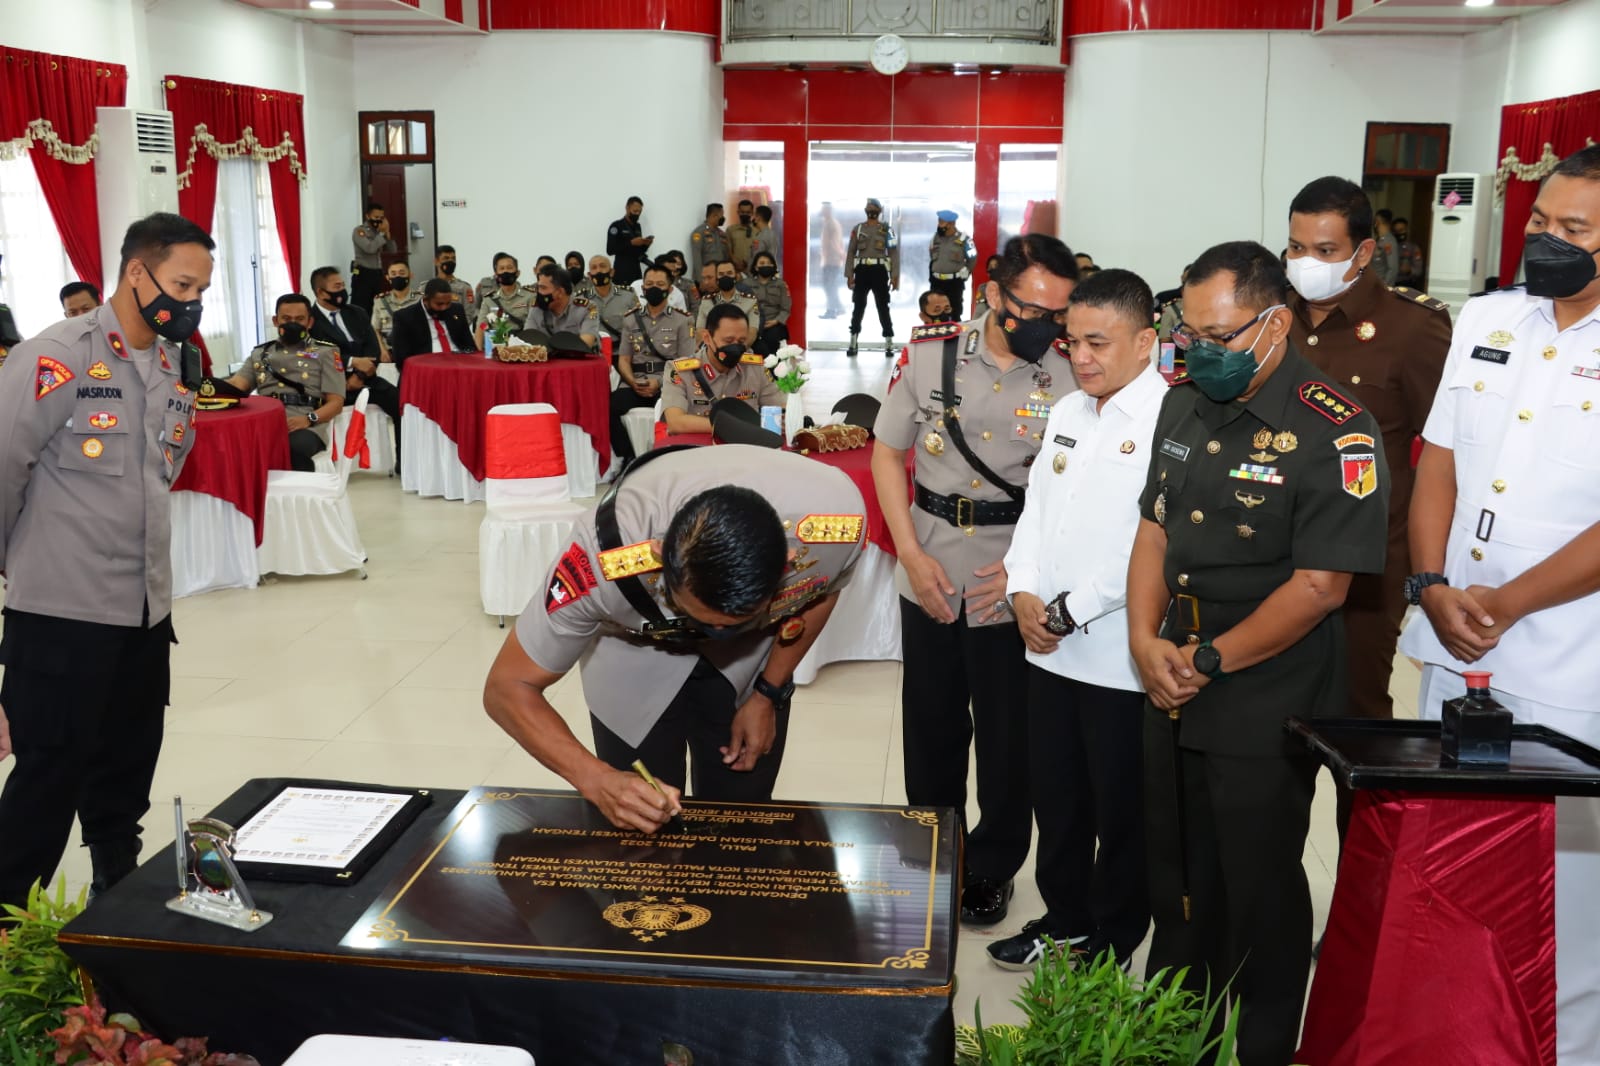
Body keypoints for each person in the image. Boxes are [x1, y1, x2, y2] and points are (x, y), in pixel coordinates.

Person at [1129, 240, 1387, 1066]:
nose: (1202, 350)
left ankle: (1265, 1046)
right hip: (1173, 666)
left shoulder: (1335, 427)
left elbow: (1321, 588)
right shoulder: (1181, 405)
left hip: (1267, 680)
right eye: (1191, 332)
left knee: (1258, 881)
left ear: (1276, 323)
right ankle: (1179, 1038)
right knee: (1178, 871)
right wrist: (1143, 641)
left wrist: (1209, 662)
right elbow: (1154, 531)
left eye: (1221, 335)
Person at [1400, 144, 1600, 1064]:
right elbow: (1438, 459)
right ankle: (1450, 1033)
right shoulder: (1488, 317)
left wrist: (1509, 603)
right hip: (1453, 642)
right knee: (1447, 854)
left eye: (1574, 229)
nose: (1546, 239)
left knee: (1565, 889)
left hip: (1568, 661)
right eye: (1540, 221)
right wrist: (1431, 584)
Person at [0, 212, 212, 911]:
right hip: (62, 611)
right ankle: (7, 922)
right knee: (47, 779)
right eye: (182, 285)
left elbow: (163, 469)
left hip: (144, 610)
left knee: (125, 771)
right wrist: (19, 564)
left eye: (201, 290)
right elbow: (2, 469)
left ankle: (115, 900)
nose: (191, 302)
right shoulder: (57, 355)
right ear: (137, 272)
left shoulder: (177, 364)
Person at [483, 445, 866, 826]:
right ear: (659, 556)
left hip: (750, 657)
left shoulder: (832, 529)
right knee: (641, 821)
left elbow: (821, 592)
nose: (715, 635)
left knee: (742, 819)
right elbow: (507, 687)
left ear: (785, 567)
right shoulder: (599, 560)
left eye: (732, 622)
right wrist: (597, 780)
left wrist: (768, 692)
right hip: (631, 654)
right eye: (699, 617)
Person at [871, 234, 1080, 927]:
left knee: (1006, 737)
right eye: (1034, 310)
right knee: (931, 725)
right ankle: (933, 851)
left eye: (1059, 313)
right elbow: (887, 454)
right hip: (930, 565)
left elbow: (1076, 491)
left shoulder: (1069, 373)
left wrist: (1029, 573)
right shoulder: (930, 356)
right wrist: (909, 554)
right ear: (994, 295)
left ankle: (991, 867)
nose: (1047, 325)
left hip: (1010, 579)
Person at [992, 268, 1162, 972]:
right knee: (1056, 797)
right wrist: (1021, 590)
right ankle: (1063, 918)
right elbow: (1036, 511)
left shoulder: (1168, 420)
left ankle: (1114, 935)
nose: (1081, 357)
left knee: (1120, 809)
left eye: (1099, 343)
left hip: (1119, 657)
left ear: (1146, 342)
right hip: (1047, 647)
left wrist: (1069, 609)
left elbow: (1148, 542)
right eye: (1072, 343)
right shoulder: (1067, 410)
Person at [1283, 176, 1450, 846]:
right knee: (1273, 733)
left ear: (1364, 251)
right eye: (1296, 247)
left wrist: (1431, 569)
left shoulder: (1413, 328)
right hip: (1271, 561)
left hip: (1364, 573)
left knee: (1357, 732)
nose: (1306, 263)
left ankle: (1360, 887)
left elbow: (1447, 455)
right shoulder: (1271, 316)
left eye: (1324, 250)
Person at [219, 294, 347, 472]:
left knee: (288, 449)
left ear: (310, 322)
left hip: (307, 426)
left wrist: (308, 419)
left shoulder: (326, 352)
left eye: (299, 319)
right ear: (275, 321)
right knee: (232, 447)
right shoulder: (260, 354)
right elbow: (237, 385)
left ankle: (299, 489)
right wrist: (210, 386)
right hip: (265, 423)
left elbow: (336, 403)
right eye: (286, 319)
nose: (292, 324)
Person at [309, 266, 401, 472]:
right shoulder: (310, 320)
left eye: (343, 285)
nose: (342, 291)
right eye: (337, 287)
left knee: (400, 404)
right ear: (321, 292)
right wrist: (351, 361)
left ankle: (403, 463)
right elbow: (314, 353)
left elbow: (373, 349)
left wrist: (359, 375)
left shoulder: (357, 312)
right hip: (330, 385)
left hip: (366, 380)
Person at [612, 264, 693, 463]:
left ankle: (671, 454)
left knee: (685, 409)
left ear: (670, 289)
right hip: (636, 383)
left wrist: (660, 383)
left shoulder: (682, 320)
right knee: (607, 407)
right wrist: (632, 382)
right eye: (649, 284)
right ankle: (628, 457)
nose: (654, 288)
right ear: (643, 288)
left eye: (660, 284)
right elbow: (624, 359)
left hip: (669, 384)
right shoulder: (631, 319)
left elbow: (686, 362)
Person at [661, 303, 784, 434]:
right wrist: (736, 427)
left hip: (745, 445)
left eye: (741, 341)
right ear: (707, 338)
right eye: (728, 341)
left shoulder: (755, 369)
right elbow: (675, 423)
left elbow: (781, 409)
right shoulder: (680, 371)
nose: (735, 347)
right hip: (698, 445)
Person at [846, 198, 899, 357]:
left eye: (874, 207)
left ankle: (889, 341)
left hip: (879, 271)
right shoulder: (858, 229)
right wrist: (849, 274)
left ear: (880, 210)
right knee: (858, 305)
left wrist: (894, 275)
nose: (871, 210)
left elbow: (893, 253)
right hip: (862, 271)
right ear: (865, 210)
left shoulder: (887, 230)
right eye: (869, 207)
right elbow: (851, 252)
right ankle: (853, 340)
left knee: (883, 306)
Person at [389, 279, 477, 367]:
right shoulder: (405, 317)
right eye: (439, 304)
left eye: (448, 303)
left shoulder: (456, 310)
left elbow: (470, 346)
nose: (444, 308)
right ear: (425, 300)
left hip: (460, 365)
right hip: (426, 368)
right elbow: (402, 360)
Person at [525, 269, 600, 350]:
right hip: (546, 357)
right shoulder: (536, 309)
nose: (538, 292)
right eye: (538, 287)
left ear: (560, 292)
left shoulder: (587, 308)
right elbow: (527, 342)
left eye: (543, 288)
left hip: (577, 357)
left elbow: (585, 345)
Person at [693, 261, 759, 347]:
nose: (725, 277)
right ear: (716, 279)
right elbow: (700, 330)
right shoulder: (707, 301)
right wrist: (714, 349)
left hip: (740, 348)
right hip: (712, 349)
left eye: (729, 273)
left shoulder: (750, 301)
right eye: (721, 274)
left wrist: (738, 349)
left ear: (736, 276)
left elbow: (752, 331)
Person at [476, 253, 535, 348]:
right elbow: (481, 326)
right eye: (502, 268)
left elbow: (533, 327)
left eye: (509, 268)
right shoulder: (489, 299)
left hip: (521, 346)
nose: (505, 271)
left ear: (517, 273)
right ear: (496, 275)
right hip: (496, 345)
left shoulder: (530, 296)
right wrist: (478, 352)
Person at [587, 255, 640, 353]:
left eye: (602, 266)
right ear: (589, 276)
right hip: (594, 354)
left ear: (611, 272)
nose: (598, 271)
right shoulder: (582, 298)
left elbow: (638, 326)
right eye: (594, 268)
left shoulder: (628, 295)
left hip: (622, 353)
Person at [928, 209, 977, 313]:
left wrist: (966, 272)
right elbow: (932, 256)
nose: (939, 225)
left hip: (954, 283)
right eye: (939, 221)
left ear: (951, 224)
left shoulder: (964, 240)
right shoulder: (935, 238)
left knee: (954, 311)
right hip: (936, 282)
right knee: (936, 312)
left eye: (941, 222)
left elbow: (972, 258)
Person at [350, 201, 395, 312]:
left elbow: (393, 250)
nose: (379, 220)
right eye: (376, 217)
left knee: (377, 306)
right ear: (368, 216)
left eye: (381, 217)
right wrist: (381, 234)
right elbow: (369, 248)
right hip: (363, 273)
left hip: (377, 273)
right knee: (361, 307)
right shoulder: (360, 231)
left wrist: (387, 234)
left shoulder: (378, 231)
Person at [746, 251, 792, 356]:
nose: (765, 266)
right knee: (757, 345)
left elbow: (786, 308)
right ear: (756, 267)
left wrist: (776, 321)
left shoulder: (780, 284)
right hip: (753, 324)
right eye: (762, 263)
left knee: (772, 340)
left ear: (773, 266)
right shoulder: (747, 284)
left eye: (769, 263)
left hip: (773, 323)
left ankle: (772, 365)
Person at [370, 261, 420, 355]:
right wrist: (382, 351)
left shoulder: (420, 299)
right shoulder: (380, 301)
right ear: (387, 278)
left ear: (410, 275)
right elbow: (375, 329)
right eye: (393, 274)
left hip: (415, 351)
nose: (397, 277)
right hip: (389, 351)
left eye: (402, 273)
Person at [606, 195, 652, 286]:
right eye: (635, 211)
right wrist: (631, 243)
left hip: (636, 270)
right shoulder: (616, 226)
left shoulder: (637, 227)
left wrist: (646, 244)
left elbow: (638, 251)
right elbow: (610, 250)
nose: (637, 214)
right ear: (627, 208)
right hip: (622, 270)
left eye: (639, 212)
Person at [819, 202, 846, 320]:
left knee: (829, 286)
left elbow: (834, 242)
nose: (822, 212)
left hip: (832, 260)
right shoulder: (831, 223)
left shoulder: (831, 224)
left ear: (828, 211)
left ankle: (832, 310)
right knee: (831, 285)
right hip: (831, 259)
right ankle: (838, 308)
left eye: (823, 210)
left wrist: (840, 254)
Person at [690, 203, 731, 277]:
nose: (723, 218)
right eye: (722, 216)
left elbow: (726, 256)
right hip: (706, 276)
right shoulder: (699, 233)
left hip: (720, 275)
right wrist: (701, 278)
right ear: (714, 216)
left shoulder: (722, 234)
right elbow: (697, 257)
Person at [434, 245, 475, 312]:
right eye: (446, 258)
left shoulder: (465, 288)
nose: (450, 261)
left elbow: (469, 313)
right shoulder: (426, 287)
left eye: (453, 258)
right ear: (436, 261)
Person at [728, 198, 757, 275]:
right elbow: (727, 249)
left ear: (752, 213)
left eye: (748, 212)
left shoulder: (758, 231)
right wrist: (735, 260)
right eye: (742, 212)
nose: (745, 215)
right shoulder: (731, 230)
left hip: (753, 272)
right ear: (738, 212)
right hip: (736, 271)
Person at [1393, 216, 1424, 288]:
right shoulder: (1392, 247)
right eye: (1396, 231)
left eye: (1401, 230)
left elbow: (1419, 270)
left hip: (1408, 284)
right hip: (1392, 283)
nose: (1399, 233)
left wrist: (1409, 270)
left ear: (1407, 230)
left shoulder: (1414, 248)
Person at [1372, 208, 1400, 287]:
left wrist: (1384, 286)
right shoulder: (1379, 240)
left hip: (1381, 287)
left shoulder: (1389, 242)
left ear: (1378, 221)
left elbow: (1393, 268)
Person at [752, 204, 781, 270]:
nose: (753, 218)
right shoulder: (772, 234)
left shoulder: (761, 237)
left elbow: (756, 257)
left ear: (758, 217)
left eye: (755, 215)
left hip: (760, 271)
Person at [973, 253, 1002, 318]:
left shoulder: (1009, 288)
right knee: (981, 307)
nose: (993, 269)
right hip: (987, 317)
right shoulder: (982, 287)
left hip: (1004, 318)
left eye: (996, 266)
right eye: (990, 267)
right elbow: (980, 308)